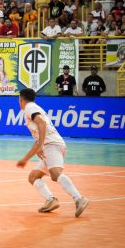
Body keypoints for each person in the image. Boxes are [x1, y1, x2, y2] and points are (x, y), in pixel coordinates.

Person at [16, 88, 90, 217]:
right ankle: (50, 200)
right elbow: (39, 136)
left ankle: (79, 198)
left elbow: (42, 123)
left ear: (20, 99)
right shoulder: (32, 107)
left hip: (51, 145)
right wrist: (25, 159)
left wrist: (41, 145)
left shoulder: (29, 107)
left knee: (55, 175)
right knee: (33, 177)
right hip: (52, 144)